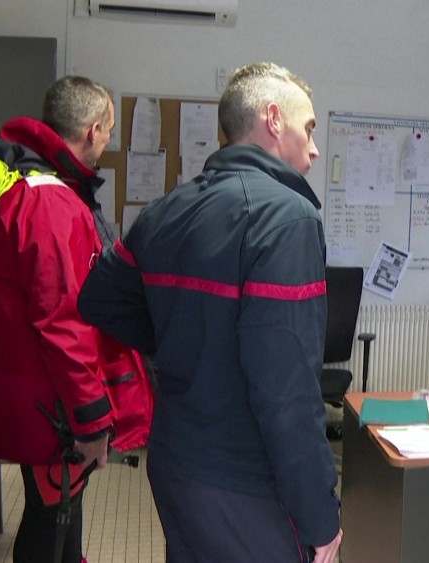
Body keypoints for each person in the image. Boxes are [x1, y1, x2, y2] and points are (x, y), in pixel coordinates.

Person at [77, 62, 343, 562]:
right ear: (273, 119)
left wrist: (183, 339)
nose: (313, 148)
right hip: (245, 482)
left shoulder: (165, 210)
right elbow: (287, 389)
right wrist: (319, 514)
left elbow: (100, 299)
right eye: (308, 129)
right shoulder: (288, 219)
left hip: (175, 462)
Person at [0, 76, 154, 563]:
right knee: (50, 517)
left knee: (56, 511)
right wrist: (92, 419)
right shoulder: (51, 202)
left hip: (23, 387)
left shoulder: (15, 184)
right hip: (52, 403)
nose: (108, 142)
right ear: (94, 131)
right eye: (109, 131)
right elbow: (62, 321)